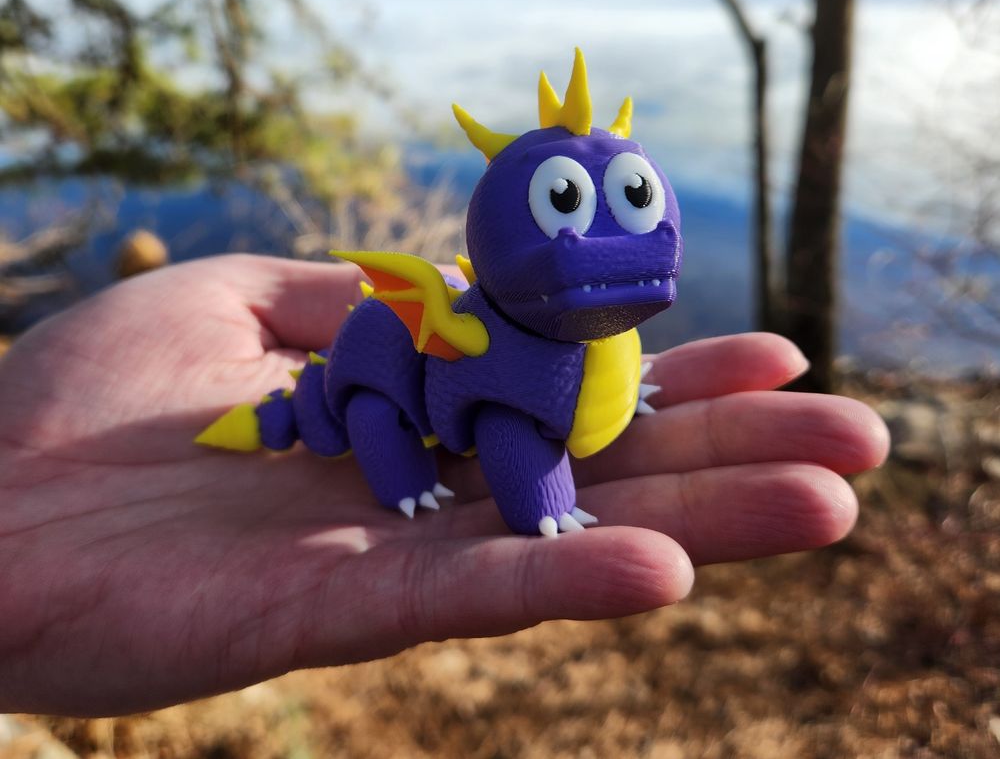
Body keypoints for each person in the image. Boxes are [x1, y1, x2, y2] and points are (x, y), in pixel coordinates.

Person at [0, 254, 888, 716]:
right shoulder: (487, 353)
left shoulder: (582, 326)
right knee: (390, 423)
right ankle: (400, 484)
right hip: (383, 380)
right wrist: (542, 498)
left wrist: (626, 388)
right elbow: (510, 430)